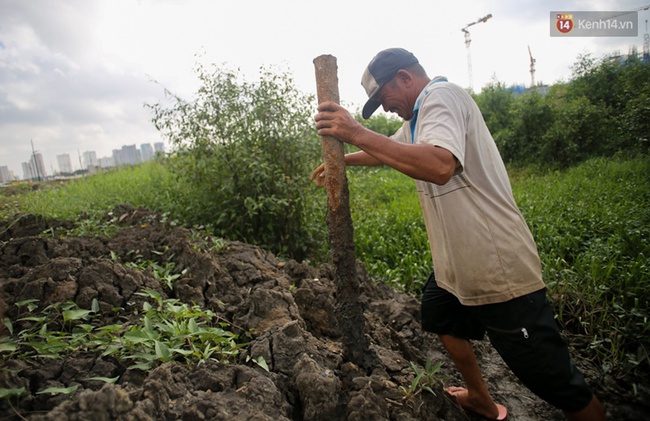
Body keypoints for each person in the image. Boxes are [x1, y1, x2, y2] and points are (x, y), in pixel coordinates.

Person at [312, 48, 606, 421]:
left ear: (405, 78)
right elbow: (390, 148)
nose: (385, 108)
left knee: (560, 386)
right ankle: (481, 398)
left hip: (496, 268)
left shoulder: (442, 98)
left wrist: (355, 131)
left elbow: (439, 165)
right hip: (456, 266)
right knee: (440, 315)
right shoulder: (419, 116)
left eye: (384, 97)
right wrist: (343, 158)